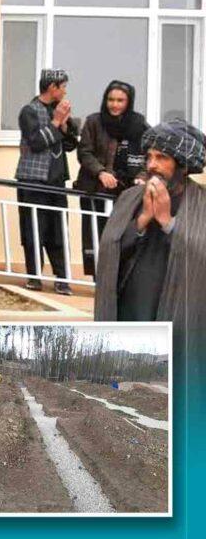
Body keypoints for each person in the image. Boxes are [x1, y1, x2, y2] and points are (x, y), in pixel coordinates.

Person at [95, 120, 206, 342]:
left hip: (182, 310)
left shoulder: (202, 202)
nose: (152, 165)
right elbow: (110, 248)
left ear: (183, 165)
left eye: (162, 158)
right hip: (132, 306)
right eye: (149, 157)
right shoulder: (130, 198)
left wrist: (168, 223)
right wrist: (142, 220)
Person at [15, 69, 80, 295]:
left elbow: (72, 145)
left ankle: (62, 279)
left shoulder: (60, 112)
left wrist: (64, 125)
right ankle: (34, 277)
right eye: (62, 87)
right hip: (33, 180)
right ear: (52, 87)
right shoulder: (29, 111)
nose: (65, 91)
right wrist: (55, 122)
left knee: (58, 230)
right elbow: (36, 143)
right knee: (33, 228)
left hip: (57, 180)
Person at [76, 80, 148, 276]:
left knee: (121, 236)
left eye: (120, 100)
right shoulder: (93, 121)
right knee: (94, 234)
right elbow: (84, 152)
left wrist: (142, 176)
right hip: (95, 189)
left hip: (126, 193)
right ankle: (97, 279)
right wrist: (101, 172)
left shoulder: (138, 124)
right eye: (110, 99)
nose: (114, 104)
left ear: (129, 102)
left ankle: (119, 277)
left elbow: (149, 156)